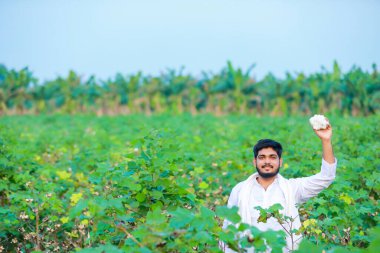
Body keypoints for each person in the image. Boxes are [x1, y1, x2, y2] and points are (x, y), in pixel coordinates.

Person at [221, 119, 337, 252]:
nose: (267, 161)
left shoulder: (292, 188)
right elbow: (228, 229)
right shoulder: (240, 190)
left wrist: (326, 140)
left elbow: (326, 177)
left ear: (280, 162)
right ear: (255, 161)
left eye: (272, 157)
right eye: (262, 157)